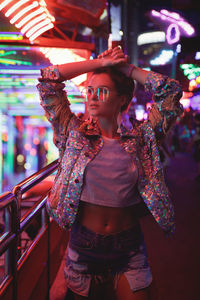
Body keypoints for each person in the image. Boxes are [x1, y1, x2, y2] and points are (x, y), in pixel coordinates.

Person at [37, 46, 183, 300]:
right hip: (83, 248)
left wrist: (125, 68)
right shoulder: (73, 134)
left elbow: (170, 91)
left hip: (129, 248)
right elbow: (49, 80)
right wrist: (98, 63)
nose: (92, 97)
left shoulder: (143, 139)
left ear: (122, 99)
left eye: (102, 91)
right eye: (89, 90)